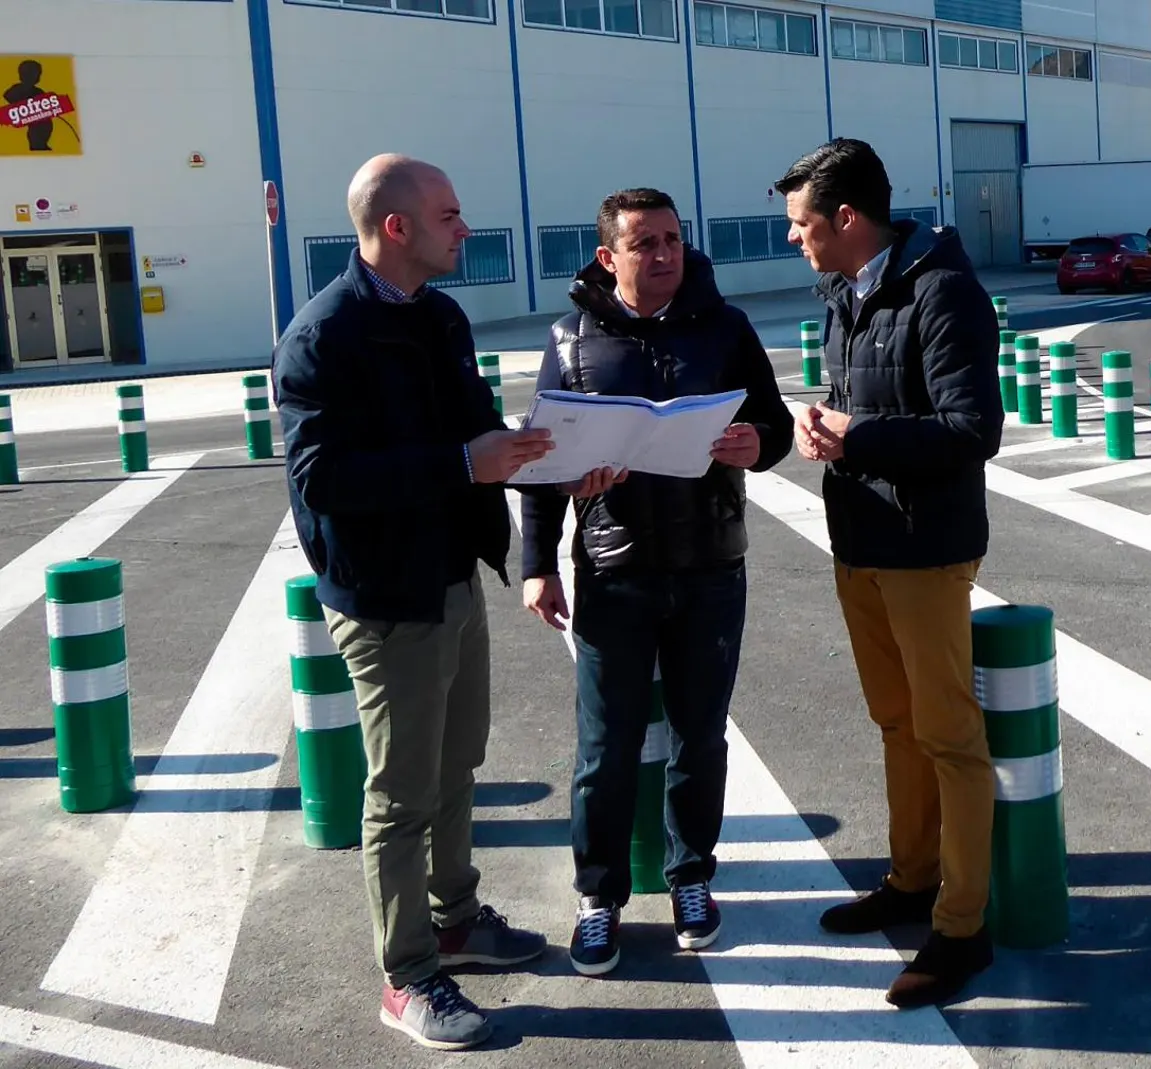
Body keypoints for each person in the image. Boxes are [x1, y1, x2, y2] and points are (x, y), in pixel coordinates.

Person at [273, 153, 553, 1052]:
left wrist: (542, 455)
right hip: (386, 596)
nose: (464, 228)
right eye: (450, 214)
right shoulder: (322, 339)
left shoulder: (440, 317)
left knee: (457, 764)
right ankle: (408, 976)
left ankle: (457, 919)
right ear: (396, 228)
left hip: (451, 575)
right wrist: (462, 465)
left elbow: (470, 429)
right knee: (400, 792)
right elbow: (321, 482)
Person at [518, 187, 792, 978]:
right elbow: (539, 459)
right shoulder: (570, 340)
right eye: (644, 243)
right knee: (607, 745)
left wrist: (754, 443)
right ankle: (598, 897)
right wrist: (538, 563)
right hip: (614, 572)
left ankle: (692, 877)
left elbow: (769, 423)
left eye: (672, 238)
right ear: (609, 257)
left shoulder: (726, 328)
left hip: (711, 565)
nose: (664, 254)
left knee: (702, 736)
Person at [776, 138, 1004, 1008]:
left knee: (948, 734)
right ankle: (910, 880)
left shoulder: (943, 290)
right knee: (896, 723)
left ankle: (961, 926)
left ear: (846, 218)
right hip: (862, 538)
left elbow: (971, 429)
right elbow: (858, 405)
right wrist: (827, 433)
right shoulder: (846, 292)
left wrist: (858, 436)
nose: (796, 239)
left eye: (803, 225)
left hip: (925, 545)